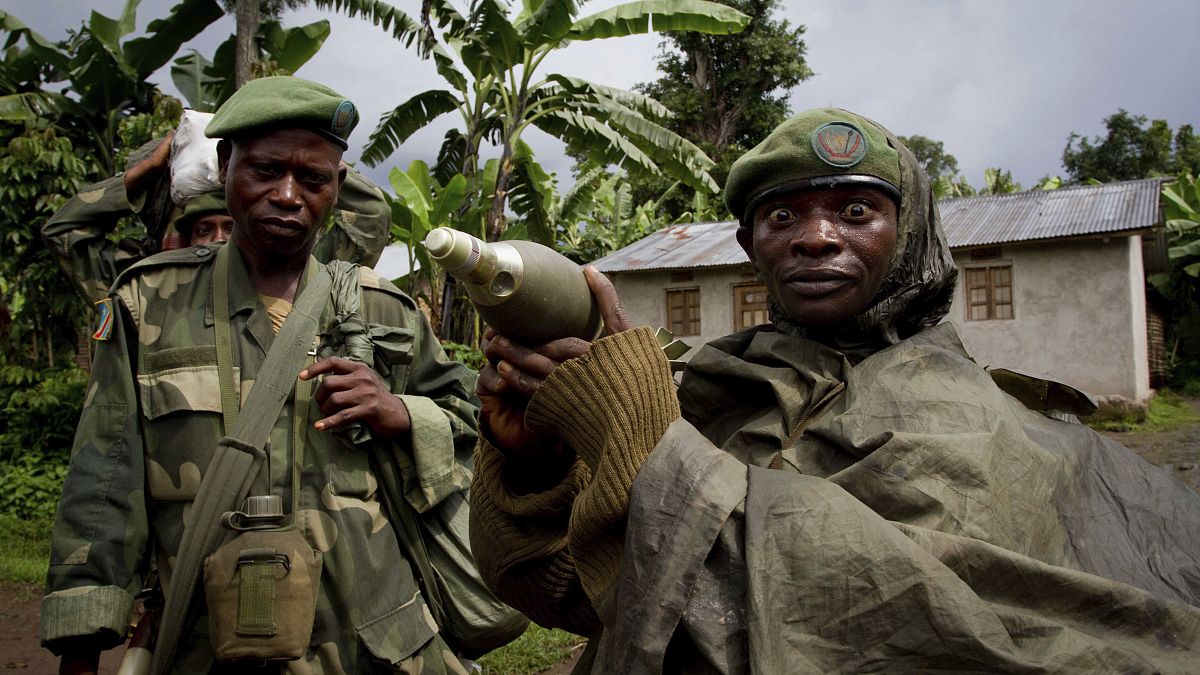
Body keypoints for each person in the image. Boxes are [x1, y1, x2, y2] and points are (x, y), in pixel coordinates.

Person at [469, 108, 1200, 672]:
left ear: (907, 232)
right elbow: (585, 593)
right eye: (781, 216)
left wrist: (647, 440)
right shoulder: (715, 389)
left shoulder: (966, 423)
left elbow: (880, 625)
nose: (814, 237)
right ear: (753, 245)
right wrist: (537, 463)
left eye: (857, 211)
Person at [40, 76, 480, 674]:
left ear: (337, 188)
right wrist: (80, 648)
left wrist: (403, 413)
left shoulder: (382, 309)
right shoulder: (148, 304)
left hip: (377, 647)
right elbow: (103, 482)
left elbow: (470, 420)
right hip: (210, 646)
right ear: (225, 167)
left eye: (314, 179)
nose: (288, 195)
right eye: (267, 170)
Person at [42, 127, 391, 308]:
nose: (217, 239)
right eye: (203, 229)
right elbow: (64, 230)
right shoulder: (147, 289)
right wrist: (145, 172)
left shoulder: (300, 278)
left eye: (228, 226)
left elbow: (371, 217)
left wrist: (317, 161)